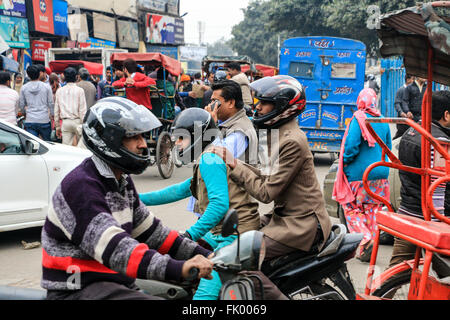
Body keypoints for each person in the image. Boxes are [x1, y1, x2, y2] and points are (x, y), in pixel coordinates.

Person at [42, 97, 214, 300]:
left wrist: (204, 253)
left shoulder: (121, 181)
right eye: (134, 137)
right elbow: (117, 249)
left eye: (142, 136)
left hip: (113, 282)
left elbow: (154, 234)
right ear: (108, 139)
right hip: (76, 288)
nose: (143, 144)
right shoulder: (81, 186)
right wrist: (181, 267)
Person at [211, 75, 332, 275]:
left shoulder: (292, 141)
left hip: (301, 224)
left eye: (265, 103)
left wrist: (233, 164)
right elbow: (264, 174)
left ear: (283, 107)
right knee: (234, 238)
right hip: (283, 217)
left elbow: (266, 192)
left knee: (242, 258)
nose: (258, 107)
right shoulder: (277, 134)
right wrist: (233, 161)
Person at [140, 108, 261, 300]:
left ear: (197, 136)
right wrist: (137, 198)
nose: (177, 145)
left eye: (181, 139)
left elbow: (219, 205)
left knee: (204, 296)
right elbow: (180, 190)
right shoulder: (208, 156)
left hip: (234, 236)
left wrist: (190, 234)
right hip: (223, 232)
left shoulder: (209, 159)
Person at [388, 90, 450, 269]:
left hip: (408, 210)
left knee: (396, 268)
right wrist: (440, 221)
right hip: (429, 217)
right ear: (446, 115)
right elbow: (438, 189)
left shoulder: (412, 131)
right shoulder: (438, 141)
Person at [333, 88, 392, 262]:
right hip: (380, 172)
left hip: (360, 174)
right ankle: (370, 247)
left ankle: (365, 239)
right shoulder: (383, 120)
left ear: (360, 101)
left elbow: (351, 146)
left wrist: (344, 163)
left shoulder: (358, 119)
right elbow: (387, 146)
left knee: (351, 208)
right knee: (373, 209)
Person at [19, 65, 54, 141]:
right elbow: (51, 103)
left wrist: (24, 113)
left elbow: (21, 104)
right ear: (39, 73)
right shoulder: (46, 87)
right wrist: (52, 114)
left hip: (30, 119)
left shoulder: (24, 88)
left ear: (28, 75)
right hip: (44, 119)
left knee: (32, 145)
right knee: (47, 144)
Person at [54, 67, 87, 146]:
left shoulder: (59, 91)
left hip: (65, 122)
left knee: (66, 149)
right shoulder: (80, 90)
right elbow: (83, 110)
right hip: (78, 121)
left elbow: (56, 111)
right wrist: (84, 124)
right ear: (76, 76)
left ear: (64, 77)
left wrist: (57, 127)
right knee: (82, 147)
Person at [393, 74, 415, 140]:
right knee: (400, 135)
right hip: (402, 119)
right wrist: (401, 112)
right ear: (408, 80)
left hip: (411, 119)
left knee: (409, 135)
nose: (414, 81)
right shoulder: (401, 90)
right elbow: (397, 103)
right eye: (413, 79)